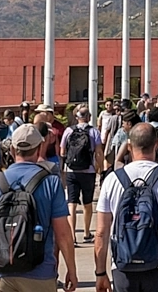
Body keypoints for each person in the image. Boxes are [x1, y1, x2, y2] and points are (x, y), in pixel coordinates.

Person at [0, 124, 77, 292]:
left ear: (12, 149)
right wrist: (71, 269)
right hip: (40, 273)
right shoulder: (51, 182)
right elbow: (62, 232)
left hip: (2, 272)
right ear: (39, 148)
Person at [93, 123, 158, 292]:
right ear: (157, 144)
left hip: (123, 265)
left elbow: (101, 232)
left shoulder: (112, 180)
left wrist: (100, 273)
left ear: (129, 146)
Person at [60, 105, 104, 245]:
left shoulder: (68, 131)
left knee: (72, 203)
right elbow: (98, 152)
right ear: (89, 117)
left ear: (76, 117)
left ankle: (72, 235)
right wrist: (100, 168)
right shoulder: (94, 132)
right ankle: (86, 232)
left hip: (71, 171)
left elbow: (62, 152)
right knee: (87, 202)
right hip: (88, 171)